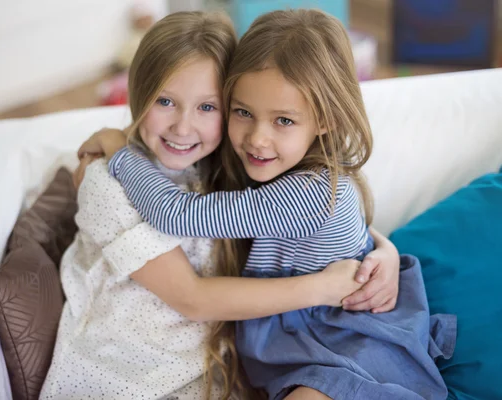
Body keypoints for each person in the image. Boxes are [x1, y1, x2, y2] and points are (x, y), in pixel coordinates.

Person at [91, 9, 456, 400]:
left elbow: (176, 214)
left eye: (283, 121)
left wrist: (119, 151)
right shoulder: (276, 166)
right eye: (243, 112)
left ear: (326, 119)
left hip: (348, 342)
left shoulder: (308, 191)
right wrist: (385, 248)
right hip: (305, 341)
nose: (257, 139)